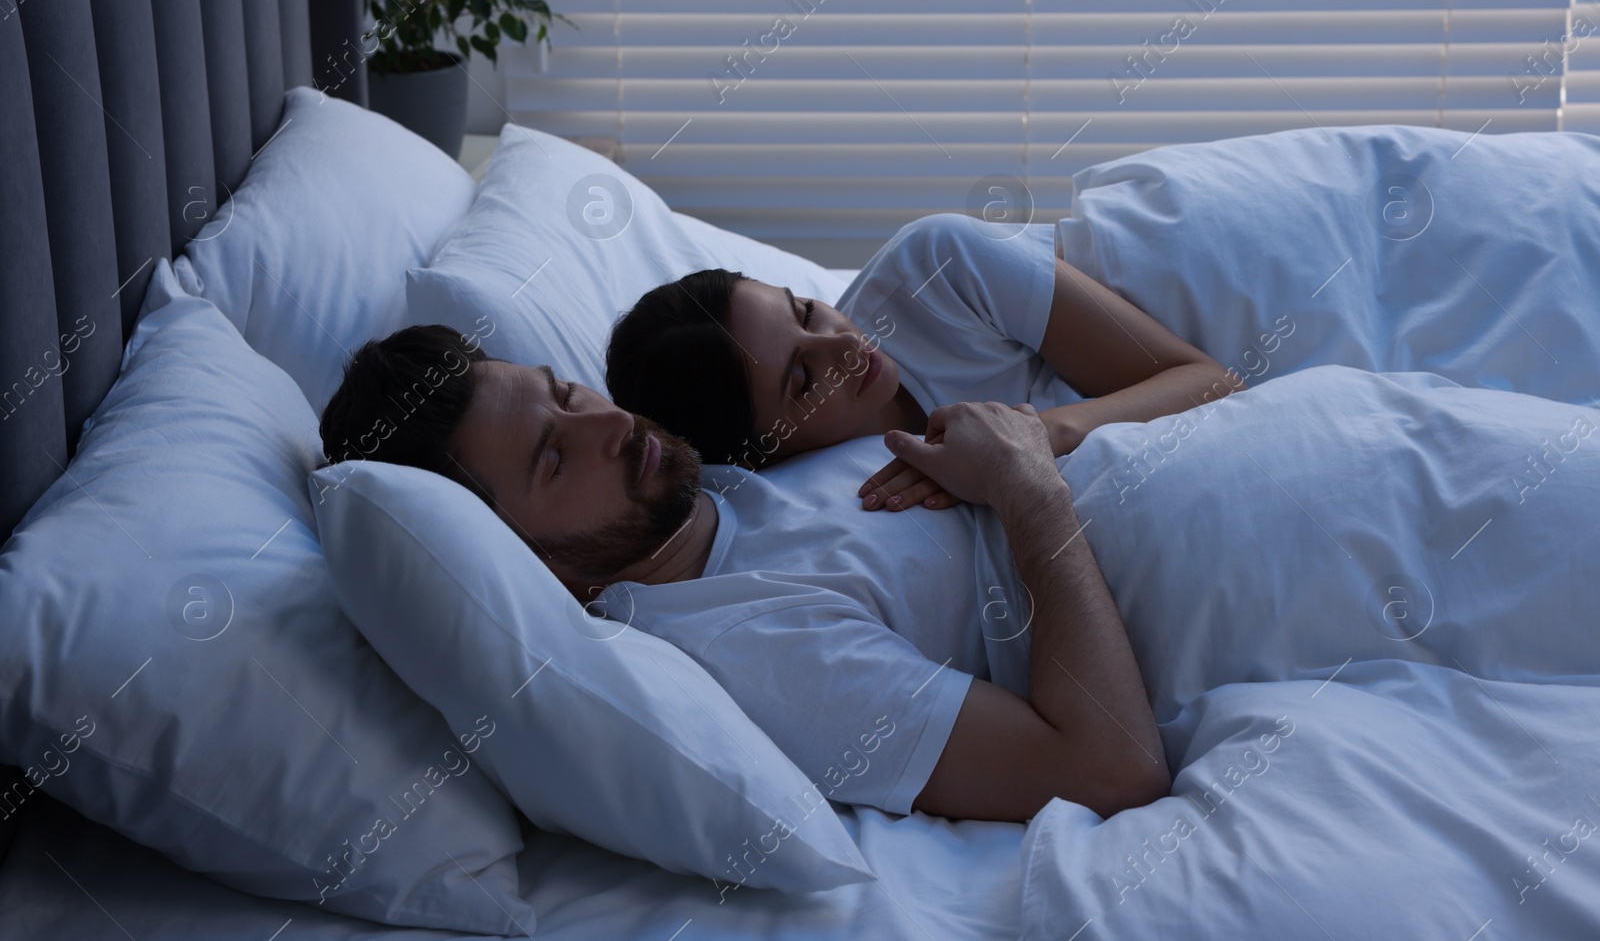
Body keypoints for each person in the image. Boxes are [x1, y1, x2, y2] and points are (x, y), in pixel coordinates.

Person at [319, 325, 1170, 824]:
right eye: (552, 456)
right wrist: (1029, 486)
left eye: (567, 395)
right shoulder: (748, 648)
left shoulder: (718, 491)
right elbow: (1110, 768)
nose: (612, 422)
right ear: (519, 560)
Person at [606, 212, 1241, 513]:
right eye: (802, 380)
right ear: (768, 453)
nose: (847, 347)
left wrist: (1031, 439)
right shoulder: (822, 501)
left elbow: (1214, 384)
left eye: (804, 311)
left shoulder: (940, 266)